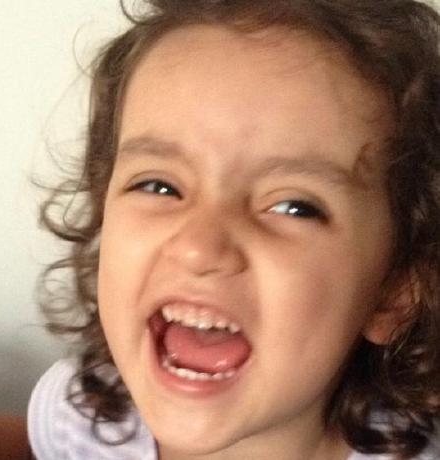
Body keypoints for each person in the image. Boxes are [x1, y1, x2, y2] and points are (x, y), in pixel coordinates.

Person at [28, 0, 440, 459]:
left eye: (294, 207)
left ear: (394, 292)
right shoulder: (74, 418)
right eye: (158, 186)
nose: (199, 248)